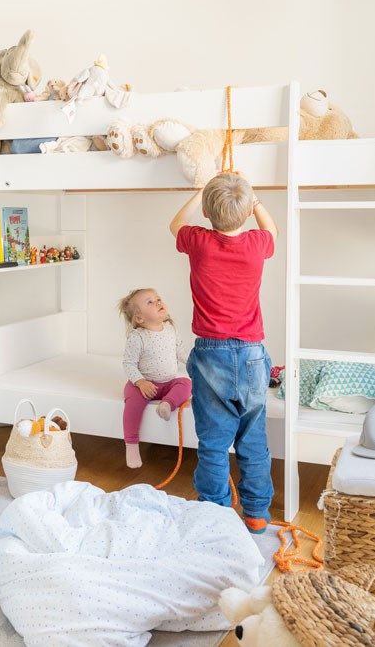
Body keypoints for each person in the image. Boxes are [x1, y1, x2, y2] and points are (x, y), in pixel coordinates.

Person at [169, 171, 278, 533]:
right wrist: (256, 202)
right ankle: (256, 513)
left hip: (210, 354)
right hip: (250, 354)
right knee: (253, 440)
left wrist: (199, 193)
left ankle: (214, 512)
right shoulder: (256, 244)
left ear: (207, 212)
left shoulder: (198, 241)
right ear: (247, 213)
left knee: (214, 442)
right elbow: (273, 232)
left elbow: (175, 224)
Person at [117, 288, 192, 469]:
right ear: (139, 318)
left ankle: (167, 404)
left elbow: (180, 351)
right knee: (132, 401)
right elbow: (128, 363)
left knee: (186, 383)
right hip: (144, 385)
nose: (158, 302)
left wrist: (195, 364)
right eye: (149, 302)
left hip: (167, 384)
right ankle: (132, 445)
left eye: (158, 298)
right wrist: (140, 382)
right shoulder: (138, 337)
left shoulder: (170, 330)